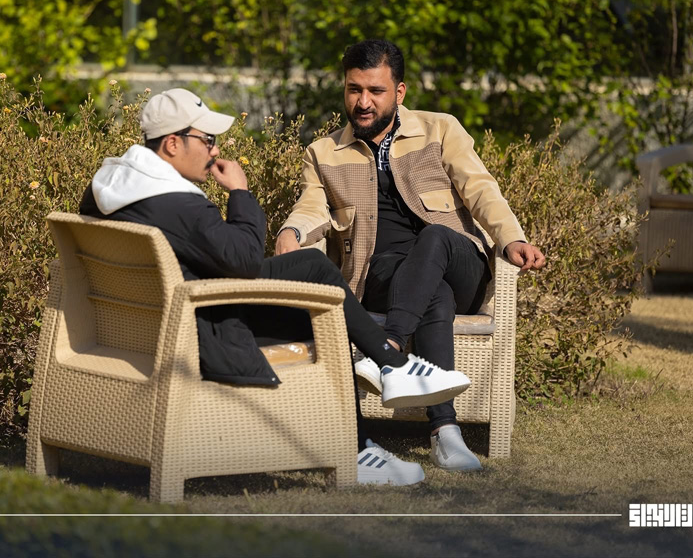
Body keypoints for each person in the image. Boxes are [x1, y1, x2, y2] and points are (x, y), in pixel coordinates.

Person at [79, 87, 472, 486]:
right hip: (204, 333)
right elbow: (245, 260)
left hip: (148, 328)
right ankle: (375, 408)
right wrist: (240, 192)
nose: (215, 150)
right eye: (207, 139)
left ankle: (386, 378)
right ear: (172, 144)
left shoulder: (110, 190)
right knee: (318, 300)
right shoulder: (177, 204)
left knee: (311, 271)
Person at [276, 40, 546, 472]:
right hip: (387, 276)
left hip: (459, 263)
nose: (363, 102)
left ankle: (388, 349)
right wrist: (292, 231)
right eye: (354, 89)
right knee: (432, 295)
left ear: (399, 92)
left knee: (436, 238)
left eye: (375, 91)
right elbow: (311, 207)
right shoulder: (323, 154)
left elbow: (480, 189)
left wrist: (511, 238)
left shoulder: (440, 130)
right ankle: (445, 432)